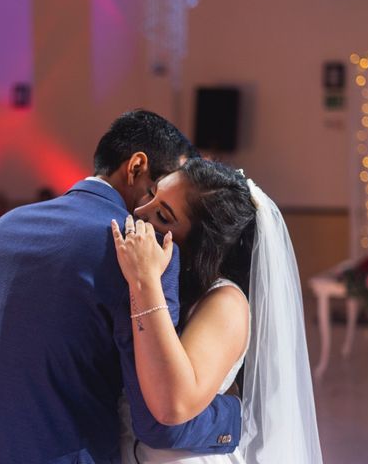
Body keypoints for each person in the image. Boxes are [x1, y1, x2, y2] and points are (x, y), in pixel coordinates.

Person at [0, 110, 241, 464]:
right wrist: (234, 416)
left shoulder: (3, 228)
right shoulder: (140, 251)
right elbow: (159, 421)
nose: (152, 215)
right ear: (136, 167)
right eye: (158, 190)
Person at [112, 158, 323, 463]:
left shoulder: (225, 303)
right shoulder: (174, 286)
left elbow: (173, 404)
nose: (139, 212)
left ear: (201, 245)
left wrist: (144, 279)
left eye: (162, 215)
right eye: (152, 193)